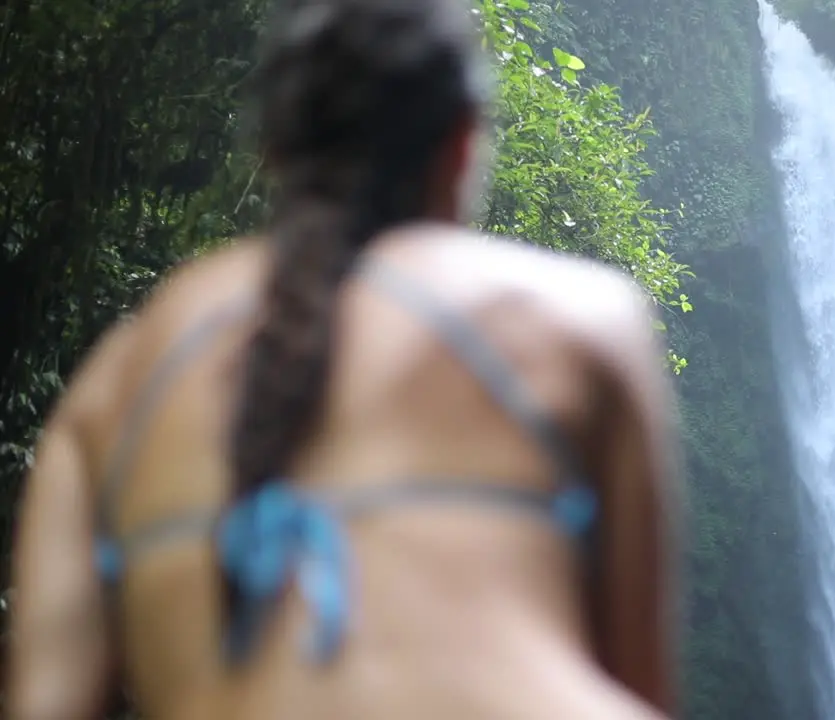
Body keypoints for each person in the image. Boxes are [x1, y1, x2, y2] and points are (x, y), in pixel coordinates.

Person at [4, 0, 682, 717]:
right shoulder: (583, 317)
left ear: (274, 153)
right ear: (460, 144)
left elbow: (46, 700)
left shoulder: (119, 378)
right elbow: (640, 685)